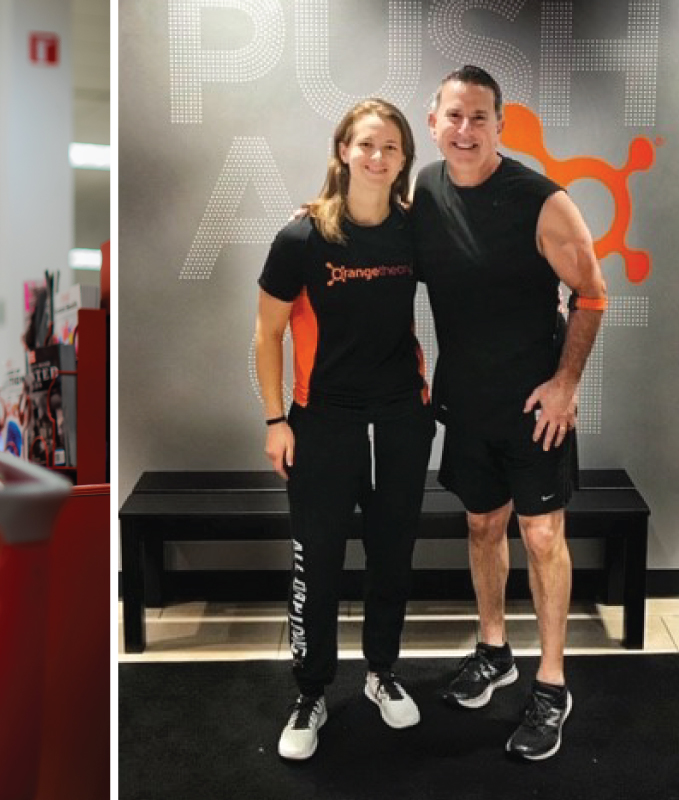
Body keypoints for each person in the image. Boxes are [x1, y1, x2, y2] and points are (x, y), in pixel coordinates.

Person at [411, 65, 607, 761]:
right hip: (465, 400)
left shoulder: (541, 202)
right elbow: (374, 249)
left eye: (480, 117)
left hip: (534, 403)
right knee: (481, 523)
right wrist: (313, 226)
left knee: (543, 537)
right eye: (454, 116)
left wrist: (565, 383)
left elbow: (592, 293)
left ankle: (552, 683)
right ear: (433, 122)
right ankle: (494, 651)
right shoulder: (425, 192)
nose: (466, 130)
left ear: (500, 125)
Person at [256, 98, 436, 762]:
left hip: (399, 419)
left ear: (403, 160)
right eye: (366, 145)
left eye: (391, 147)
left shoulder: (415, 232)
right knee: (318, 562)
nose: (378, 157)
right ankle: (310, 692)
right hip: (323, 421)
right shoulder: (301, 239)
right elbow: (267, 334)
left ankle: (383, 675)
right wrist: (276, 420)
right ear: (343, 151)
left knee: (392, 554)